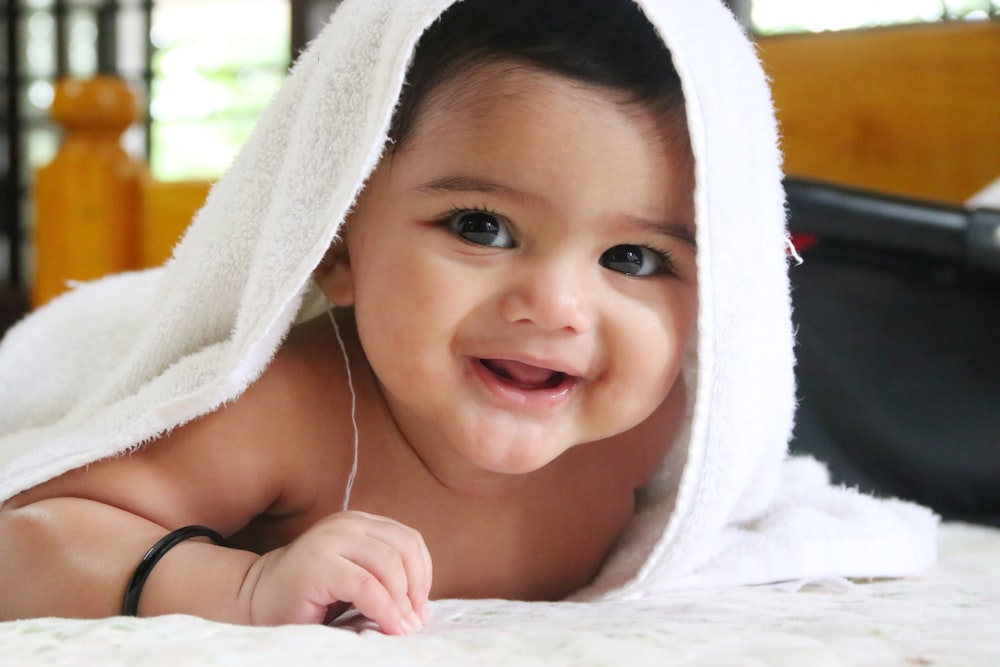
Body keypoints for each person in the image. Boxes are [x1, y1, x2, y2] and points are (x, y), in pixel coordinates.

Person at [0, 0, 937, 639]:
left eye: (635, 258)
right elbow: (32, 533)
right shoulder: (284, 409)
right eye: (482, 227)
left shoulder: (667, 436)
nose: (558, 307)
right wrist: (236, 585)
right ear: (335, 236)